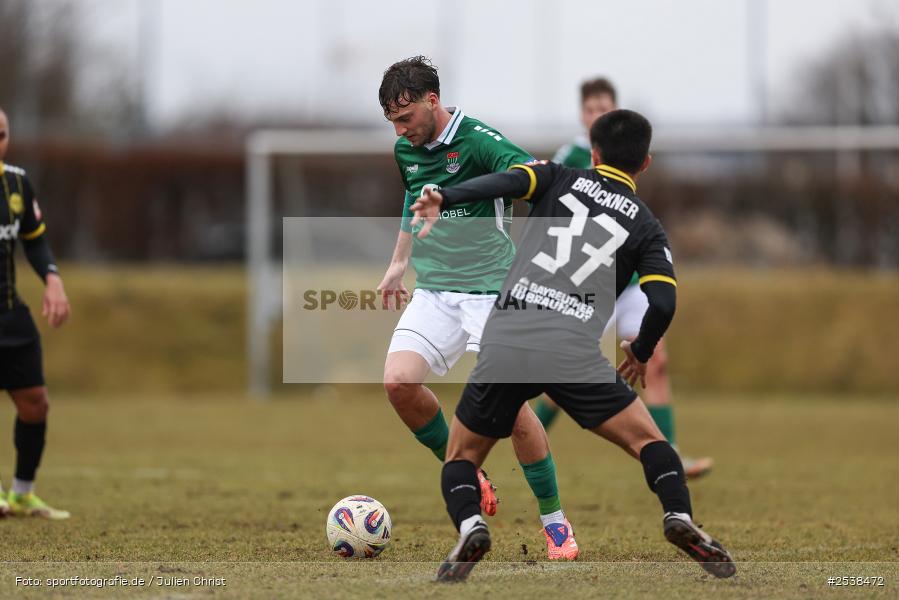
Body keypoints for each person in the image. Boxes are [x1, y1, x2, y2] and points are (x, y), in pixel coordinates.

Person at [410, 109, 735, 582]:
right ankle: (678, 515)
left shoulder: (557, 177)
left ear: (594, 151)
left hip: (510, 338)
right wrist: (640, 352)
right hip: (573, 351)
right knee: (649, 443)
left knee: (461, 457)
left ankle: (471, 525)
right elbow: (663, 301)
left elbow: (503, 182)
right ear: (645, 162)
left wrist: (446, 196)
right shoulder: (646, 225)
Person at [376, 56, 578, 559]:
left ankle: (555, 523)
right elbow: (412, 198)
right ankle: (469, 472)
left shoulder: (480, 140)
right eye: (393, 123)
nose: (400, 131)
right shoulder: (407, 148)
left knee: (509, 410)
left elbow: (534, 175)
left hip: (492, 292)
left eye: (406, 118)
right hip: (435, 291)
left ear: (432, 101)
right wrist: (398, 263)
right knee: (399, 383)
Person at [538, 77, 712, 479]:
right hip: (587, 282)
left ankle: (671, 454)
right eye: (589, 108)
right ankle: (530, 448)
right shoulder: (571, 158)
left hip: (629, 279)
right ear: (581, 114)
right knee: (562, 378)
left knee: (656, 360)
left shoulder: (625, 150)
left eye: (603, 107)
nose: (596, 113)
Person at [0, 108, 71, 520]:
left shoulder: (16, 183)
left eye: (2, 133)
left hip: (10, 313)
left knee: (35, 404)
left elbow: (35, 241)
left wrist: (53, 278)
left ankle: (23, 493)